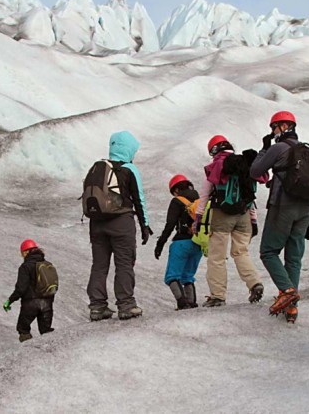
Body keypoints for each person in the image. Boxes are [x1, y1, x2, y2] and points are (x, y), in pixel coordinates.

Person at [250, 111, 309, 324]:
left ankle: (287, 290)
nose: (272, 132)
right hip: (306, 209)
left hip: (283, 206)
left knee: (269, 251)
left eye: (274, 128)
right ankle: (291, 309)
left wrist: (264, 149)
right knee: (293, 257)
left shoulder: (278, 148)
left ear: (282, 126)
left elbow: (255, 170)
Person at [84, 131, 151, 321]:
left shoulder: (99, 168)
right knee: (123, 264)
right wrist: (144, 225)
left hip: (97, 224)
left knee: (99, 265)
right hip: (121, 223)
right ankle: (126, 305)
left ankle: (97, 307)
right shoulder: (129, 169)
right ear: (128, 149)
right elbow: (139, 199)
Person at [191, 136, 265, 309]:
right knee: (241, 252)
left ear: (214, 150)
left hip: (222, 215)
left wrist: (199, 219)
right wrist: (253, 220)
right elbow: (250, 195)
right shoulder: (244, 164)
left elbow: (204, 195)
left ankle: (217, 296)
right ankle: (254, 283)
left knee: (217, 257)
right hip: (244, 214)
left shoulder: (217, 166)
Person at [154, 174, 203, 310]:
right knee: (188, 276)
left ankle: (182, 303)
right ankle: (192, 303)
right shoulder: (201, 200)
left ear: (176, 190)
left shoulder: (177, 201)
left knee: (172, 276)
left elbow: (170, 225)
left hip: (181, 243)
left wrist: (160, 244)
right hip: (198, 243)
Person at [4, 239, 57, 342]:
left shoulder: (25, 267)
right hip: (47, 303)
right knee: (46, 332)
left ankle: (27, 354)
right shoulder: (47, 264)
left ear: (25, 252)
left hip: (30, 304)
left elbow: (21, 288)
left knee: (23, 330)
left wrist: (9, 301)